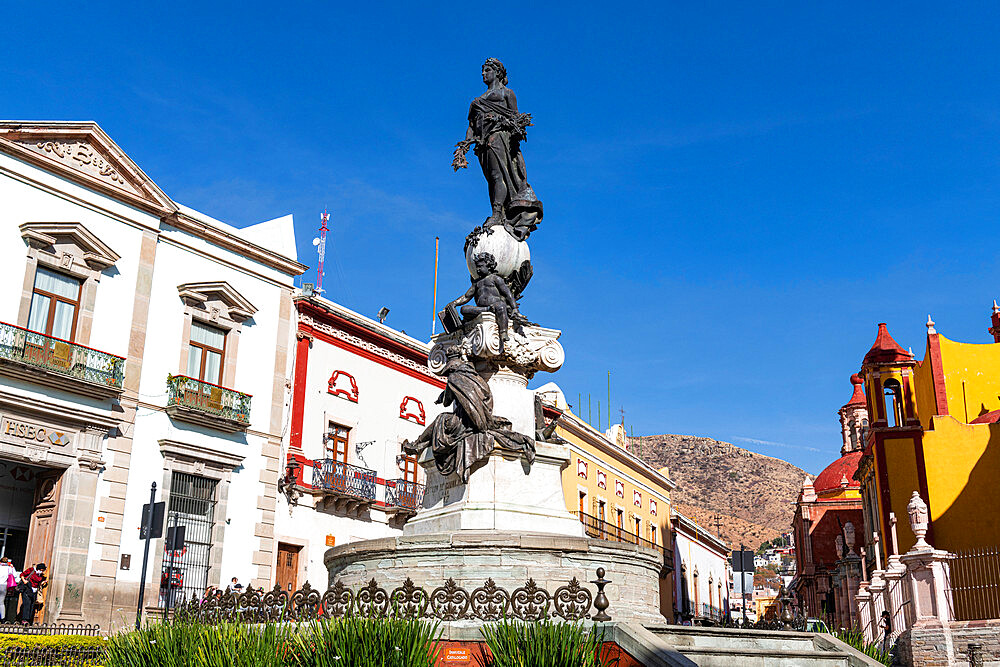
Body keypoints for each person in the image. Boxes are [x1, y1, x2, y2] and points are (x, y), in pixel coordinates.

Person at [452, 58, 543, 240]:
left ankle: (497, 214)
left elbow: (516, 119)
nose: (483, 74)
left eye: (487, 70)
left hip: (499, 137)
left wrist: (500, 121)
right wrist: (465, 144)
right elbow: (471, 126)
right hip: (482, 143)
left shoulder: (506, 93)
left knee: (497, 175)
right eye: (483, 71)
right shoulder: (477, 102)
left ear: (497, 72)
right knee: (492, 180)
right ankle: (498, 211)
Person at [0, 556, 16, 622]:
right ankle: (2, 619)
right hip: (4, 585)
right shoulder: (9, 568)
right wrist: (12, 567)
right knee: (1, 603)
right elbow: (15, 575)